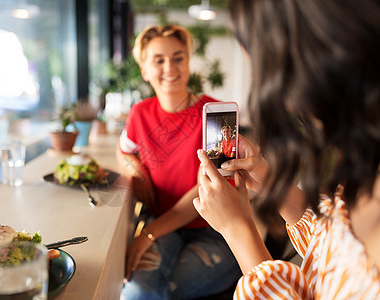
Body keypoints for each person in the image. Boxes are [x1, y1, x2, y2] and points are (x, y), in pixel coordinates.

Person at [193, 0, 380, 298]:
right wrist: (266, 177)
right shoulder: (364, 166)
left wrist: (237, 229)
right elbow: (329, 248)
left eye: (264, 70)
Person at [117, 24, 241, 299]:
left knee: (155, 292)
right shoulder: (139, 113)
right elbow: (123, 149)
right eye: (158, 60)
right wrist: (134, 168)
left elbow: (208, 190)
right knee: (138, 291)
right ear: (145, 70)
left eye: (178, 57)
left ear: (188, 62)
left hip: (214, 231)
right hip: (165, 227)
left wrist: (147, 235)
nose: (169, 67)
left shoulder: (218, 117)